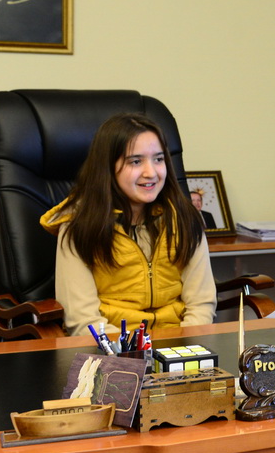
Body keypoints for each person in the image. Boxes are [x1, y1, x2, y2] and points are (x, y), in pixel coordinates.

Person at [42, 113, 217, 336]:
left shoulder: (185, 218)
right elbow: (83, 319)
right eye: (135, 161)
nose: (151, 173)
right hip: (110, 347)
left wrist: (186, 347)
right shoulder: (78, 227)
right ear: (107, 167)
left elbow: (201, 305)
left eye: (159, 159)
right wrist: (133, 351)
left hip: (179, 344)